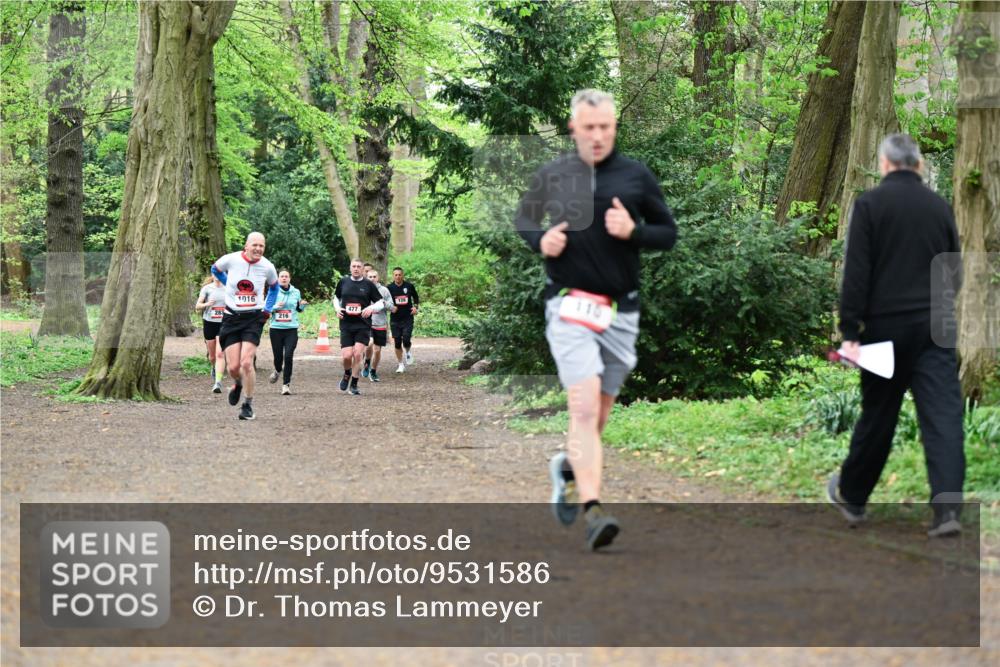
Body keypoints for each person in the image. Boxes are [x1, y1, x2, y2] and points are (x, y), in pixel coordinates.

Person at [514, 89, 677, 550]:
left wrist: (635, 232)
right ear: (574, 129)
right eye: (590, 128)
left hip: (620, 311)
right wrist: (540, 240)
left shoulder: (635, 176)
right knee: (583, 408)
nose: (599, 135)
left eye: (606, 127)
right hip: (567, 306)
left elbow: (668, 233)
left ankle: (567, 469)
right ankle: (594, 511)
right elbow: (524, 219)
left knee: (598, 415)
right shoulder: (554, 173)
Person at [827, 133, 965, 538]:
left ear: (885, 164)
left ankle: (852, 497)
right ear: (918, 165)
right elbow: (953, 272)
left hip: (884, 330)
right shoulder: (940, 207)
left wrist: (850, 329)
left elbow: (857, 272)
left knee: (880, 414)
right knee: (942, 417)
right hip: (935, 328)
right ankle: (947, 511)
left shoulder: (870, 205)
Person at [212, 232, 279, 420]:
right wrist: (228, 285)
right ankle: (238, 384)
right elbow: (215, 269)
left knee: (246, 362)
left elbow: (274, 288)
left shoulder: (267, 266)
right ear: (246, 245)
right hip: (231, 317)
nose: (258, 249)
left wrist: (267, 310)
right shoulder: (231, 260)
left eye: (262, 246)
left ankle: (248, 405)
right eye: (255, 245)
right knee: (233, 368)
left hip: (253, 318)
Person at [333, 259, 385, 395]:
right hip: (346, 324)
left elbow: (381, 302)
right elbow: (335, 298)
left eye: (358, 267)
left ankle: (354, 384)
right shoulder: (343, 282)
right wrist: (337, 309)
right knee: (346, 356)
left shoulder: (368, 284)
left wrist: (371, 308)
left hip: (363, 325)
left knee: (357, 354)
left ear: (363, 269)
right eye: (353, 266)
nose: (356, 269)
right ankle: (346, 373)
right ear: (350, 268)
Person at [267, 270, 307, 395]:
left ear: (289, 278)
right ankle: (278, 370)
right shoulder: (273, 291)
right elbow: (266, 308)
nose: (284, 278)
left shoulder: (296, 292)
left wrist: (303, 305)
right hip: (276, 329)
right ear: (278, 278)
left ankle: (286, 385)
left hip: (291, 328)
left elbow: (298, 309)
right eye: (281, 276)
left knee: (288, 356)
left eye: (286, 276)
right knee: (278, 358)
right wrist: (275, 307)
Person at [194, 274, 228, 393]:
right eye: (216, 274)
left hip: (223, 324)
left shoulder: (228, 288)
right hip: (209, 323)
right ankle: (214, 367)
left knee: (220, 354)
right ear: (212, 275)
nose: (218, 276)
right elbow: (197, 306)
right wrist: (206, 304)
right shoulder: (207, 289)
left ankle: (218, 382)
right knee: (213, 356)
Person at [362, 268, 394, 382]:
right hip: (367, 323)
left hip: (380, 323)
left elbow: (391, 305)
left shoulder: (384, 291)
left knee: (377, 350)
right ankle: (366, 362)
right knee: (369, 344)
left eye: (374, 277)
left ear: (378, 278)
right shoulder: (363, 289)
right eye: (370, 277)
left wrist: (384, 303)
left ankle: (373, 371)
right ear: (367, 277)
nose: (372, 279)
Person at [387, 267, 420, 373]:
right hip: (395, 319)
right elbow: (385, 301)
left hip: (407, 317)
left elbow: (416, 297)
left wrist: (415, 307)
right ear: (393, 276)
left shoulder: (409, 286)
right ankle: (400, 364)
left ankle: (408, 351)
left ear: (403, 275)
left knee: (406, 339)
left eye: (399, 274)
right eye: (395, 275)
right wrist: (391, 307)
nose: (397, 276)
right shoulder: (389, 288)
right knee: (397, 342)